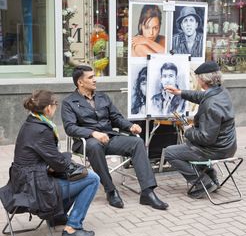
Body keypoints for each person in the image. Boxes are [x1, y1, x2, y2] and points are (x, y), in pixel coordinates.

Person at [61, 65, 169, 210]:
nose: (95, 80)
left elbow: (116, 118)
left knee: (136, 142)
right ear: (80, 82)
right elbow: (70, 127)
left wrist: (130, 126)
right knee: (94, 145)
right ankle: (110, 190)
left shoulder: (103, 97)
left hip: (109, 138)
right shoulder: (69, 102)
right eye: (91, 77)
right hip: (87, 142)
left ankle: (147, 192)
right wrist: (93, 133)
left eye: (94, 76)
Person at [0, 90, 100, 236]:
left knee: (75, 175)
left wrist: (58, 163)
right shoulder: (41, 130)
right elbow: (59, 164)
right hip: (35, 189)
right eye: (55, 104)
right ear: (48, 108)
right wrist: (67, 157)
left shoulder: (31, 122)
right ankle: (72, 229)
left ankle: (57, 217)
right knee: (92, 179)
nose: (56, 107)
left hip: (24, 182)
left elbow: (51, 160)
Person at [164, 61, 237, 198]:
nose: (196, 80)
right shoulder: (221, 92)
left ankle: (203, 182)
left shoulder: (211, 105)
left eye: (197, 77)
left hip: (214, 150)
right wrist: (180, 93)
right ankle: (212, 178)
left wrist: (188, 130)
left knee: (170, 152)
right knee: (190, 147)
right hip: (227, 146)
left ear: (203, 79)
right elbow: (202, 96)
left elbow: (206, 138)